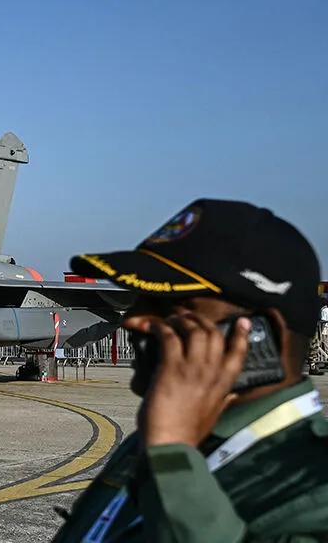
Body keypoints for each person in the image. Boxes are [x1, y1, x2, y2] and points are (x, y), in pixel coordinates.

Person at [53, 200, 328, 542]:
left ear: (258, 334)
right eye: (139, 300)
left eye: (169, 305)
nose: (134, 320)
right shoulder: (163, 434)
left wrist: (173, 460)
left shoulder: (314, 487)